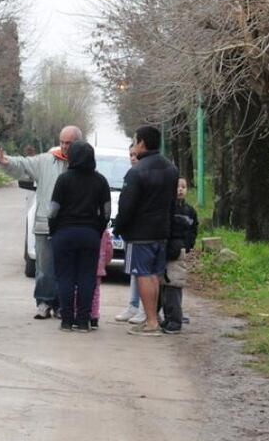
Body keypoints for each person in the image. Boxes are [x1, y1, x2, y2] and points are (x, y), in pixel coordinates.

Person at [0, 126, 82, 320]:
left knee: (66, 268)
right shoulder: (46, 161)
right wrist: (5, 160)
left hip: (71, 226)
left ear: (79, 143)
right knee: (44, 268)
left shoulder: (84, 164)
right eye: (62, 142)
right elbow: (23, 165)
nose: (65, 147)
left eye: (69, 143)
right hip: (45, 224)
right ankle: (43, 302)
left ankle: (61, 305)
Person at [113, 125, 178, 337]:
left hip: (140, 233)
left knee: (143, 275)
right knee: (155, 275)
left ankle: (150, 321)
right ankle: (153, 318)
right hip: (161, 231)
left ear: (141, 142)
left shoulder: (136, 172)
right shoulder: (171, 169)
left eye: (134, 140)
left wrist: (119, 227)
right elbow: (172, 204)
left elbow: (127, 205)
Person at [48, 140, 111, 332]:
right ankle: (83, 321)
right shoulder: (100, 180)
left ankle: (66, 320)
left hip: (64, 234)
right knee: (86, 278)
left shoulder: (64, 179)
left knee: (65, 277)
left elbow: (53, 210)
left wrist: (55, 231)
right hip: (90, 234)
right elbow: (106, 212)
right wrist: (97, 230)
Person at [159, 177, 199, 334]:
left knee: (174, 286)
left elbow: (193, 230)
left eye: (183, 186)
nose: (180, 189)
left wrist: (186, 245)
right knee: (164, 287)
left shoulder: (190, 211)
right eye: (177, 186)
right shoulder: (166, 208)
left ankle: (175, 321)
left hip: (179, 252)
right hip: (166, 250)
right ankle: (168, 318)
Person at [114, 144, 145, 323]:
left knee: (142, 271)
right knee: (133, 271)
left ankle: (141, 306)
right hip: (132, 231)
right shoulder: (130, 175)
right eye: (131, 155)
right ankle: (133, 305)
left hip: (141, 232)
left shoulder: (140, 175)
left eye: (136, 155)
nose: (133, 158)